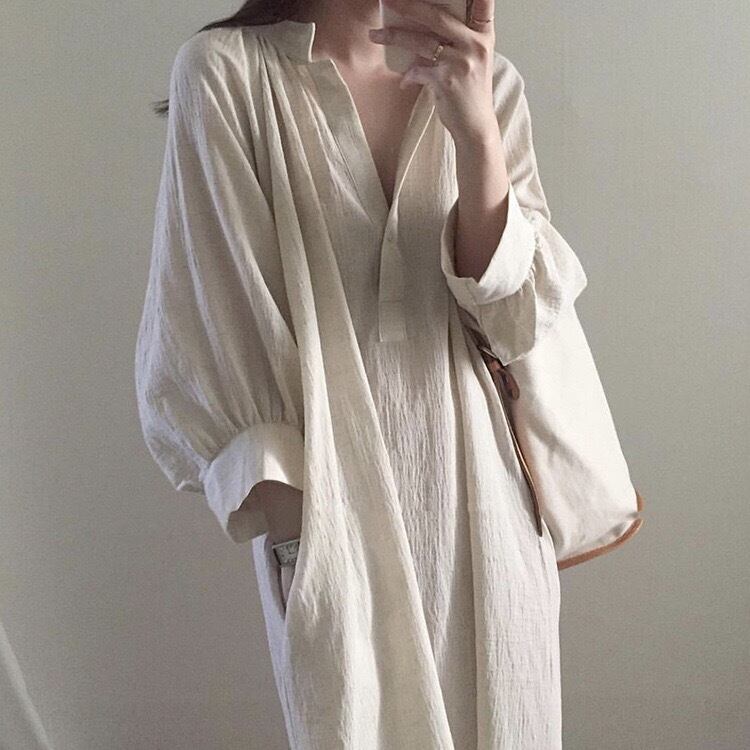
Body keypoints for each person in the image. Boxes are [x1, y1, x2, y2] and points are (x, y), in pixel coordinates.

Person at [135, 0, 588, 746]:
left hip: (489, 515)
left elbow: (515, 322)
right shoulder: (227, 75)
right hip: (331, 520)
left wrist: (477, 132)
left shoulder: (489, 82)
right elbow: (219, 324)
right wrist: (305, 555)